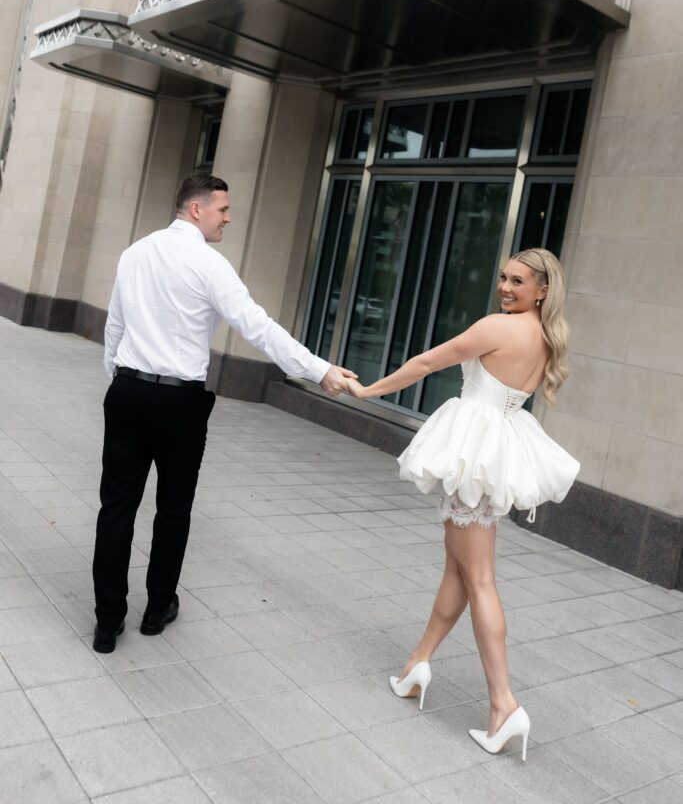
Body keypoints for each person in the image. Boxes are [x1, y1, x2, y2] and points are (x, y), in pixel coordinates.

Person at [92, 172, 356, 653]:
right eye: (223, 209)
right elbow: (258, 327)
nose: (228, 218)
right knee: (173, 509)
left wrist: (119, 378)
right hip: (179, 403)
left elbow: (115, 326)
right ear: (196, 209)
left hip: (128, 393)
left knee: (116, 508)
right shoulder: (209, 265)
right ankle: (156, 611)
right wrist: (319, 371)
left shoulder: (135, 253)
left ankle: (107, 623)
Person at [346, 248, 580, 761]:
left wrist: (369, 391)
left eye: (517, 281)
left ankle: (503, 705)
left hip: (475, 453)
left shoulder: (500, 327)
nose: (504, 287)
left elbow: (431, 361)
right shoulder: (544, 338)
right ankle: (417, 665)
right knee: (457, 569)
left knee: (479, 578)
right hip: (492, 450)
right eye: (502, 277)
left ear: (542, 289)